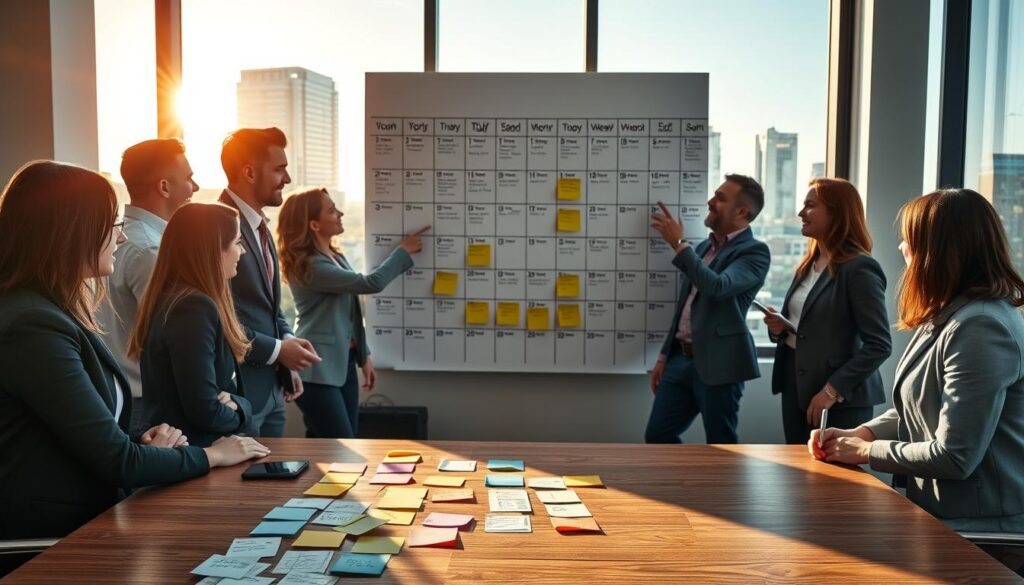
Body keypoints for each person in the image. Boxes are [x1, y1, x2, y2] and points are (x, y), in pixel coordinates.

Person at [0, 161, 269, 542]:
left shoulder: (47, 312)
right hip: (49, 539)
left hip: (82, 521)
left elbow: (86, 438)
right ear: (72, 233)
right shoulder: (33, 325)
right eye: (113, 227)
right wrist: (215, 455)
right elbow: (116, 463)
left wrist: (140, 443)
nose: (121, 239)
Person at [813, 189, 1024, 574]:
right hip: (944, 514)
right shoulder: (950, 315)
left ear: (940, 250)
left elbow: (955, 456)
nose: (901, 246)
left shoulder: (981, 327)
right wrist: (862, 433)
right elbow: (918, 406)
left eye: (911, 238)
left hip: (983, 533)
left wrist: (862, 453)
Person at [277, 188, 429, 438]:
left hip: (342, 362)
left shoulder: (335, 256)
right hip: (316, 368)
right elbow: (370, 284)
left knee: (328, 442)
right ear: (314, 224)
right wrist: (403, 250)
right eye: (332, 210)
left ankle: (311, 477)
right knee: (339, 443)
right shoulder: (312, 266)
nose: (341, 213)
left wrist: (363, 355)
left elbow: (350, 311)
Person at [645, 174, 771, 444]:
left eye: (720, 198)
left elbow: (718, 287)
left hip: (720, 364)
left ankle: (717, 488)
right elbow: (684, 307)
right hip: (680, 360)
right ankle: (683, 486)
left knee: (720, 443)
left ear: (742, 211)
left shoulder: (754, 252)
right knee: (657, 435)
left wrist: (678, 244)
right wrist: (664, 356)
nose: (710, 201)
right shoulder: (703, 248)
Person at [764, 178, 891, 444]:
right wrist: (780, 329)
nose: (801, 213)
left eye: (810, 206)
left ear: (837, 213)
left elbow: (879, 345)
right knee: (799, 475)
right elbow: (810, 326)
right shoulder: (808, 264)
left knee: (836, 481)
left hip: (838, 399)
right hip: (797, 387)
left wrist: (831, 392)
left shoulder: (860, 269)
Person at [218, 127, 320, 436]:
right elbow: (218, 318)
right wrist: (277, 351)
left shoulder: (260, 224)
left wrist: (285, 345)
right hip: (236, 394)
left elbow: (271, 306)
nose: (287, 179)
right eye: (279, 169)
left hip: (272, 388)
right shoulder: (215, 226)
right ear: (249, 172)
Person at [128, 203, 256, 447]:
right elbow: (205, 410)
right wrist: (243, 411)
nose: (242, 251)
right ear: (214, 250)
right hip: (197, 454)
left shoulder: (176, 299)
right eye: (237, 242)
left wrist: (237, 403)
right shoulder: (193, 308)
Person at [96, 138, 199, 437]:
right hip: (147, 404)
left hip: (123, 395)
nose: (195, 186)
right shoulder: (151, 250)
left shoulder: (117, 237)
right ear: (164, 187)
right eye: (189, 178)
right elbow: (171, 338)